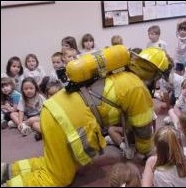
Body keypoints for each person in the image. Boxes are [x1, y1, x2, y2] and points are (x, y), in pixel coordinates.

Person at [1, 45, 170, 186]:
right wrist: (148, 151)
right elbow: (143, 129)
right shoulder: (137, 87)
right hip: (63, 122)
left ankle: (7, 171)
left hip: (52, 109)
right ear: (154, 74)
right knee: (58, 177)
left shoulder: (119, 72)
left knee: (54, 163)